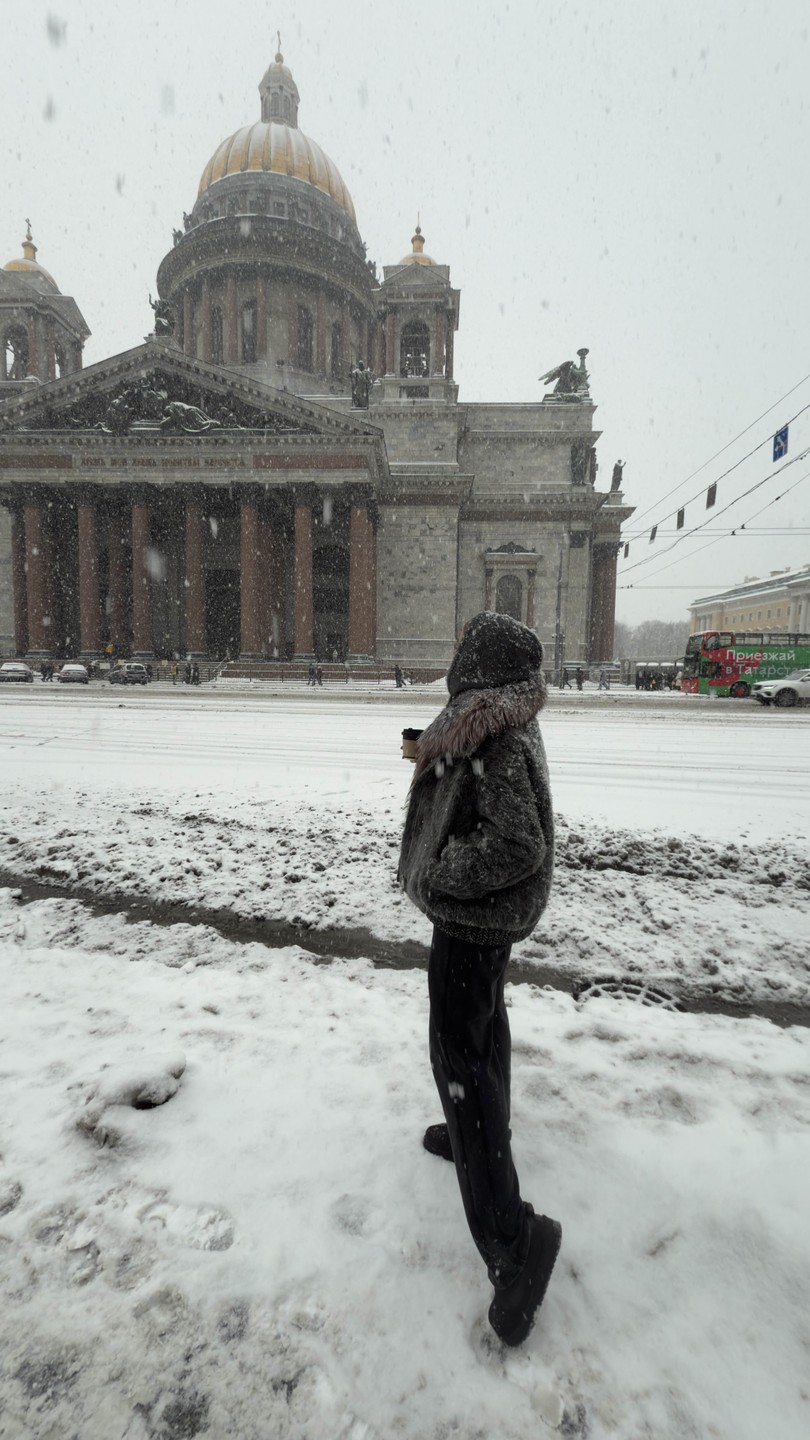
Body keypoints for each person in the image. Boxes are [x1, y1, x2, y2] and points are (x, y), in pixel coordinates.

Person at [398, 612, 561, 1348]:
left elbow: (517, 843)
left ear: (482, 659)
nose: (452, 655)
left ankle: (515, 1243)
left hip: (472, 919)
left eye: (462, 646)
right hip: (479, 923)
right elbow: (473, 783)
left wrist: (440, 874)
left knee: (458, 1055)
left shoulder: (496, 727)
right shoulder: (493, 716)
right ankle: (477, 1140)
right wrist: (426, 754)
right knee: (482, 1034)